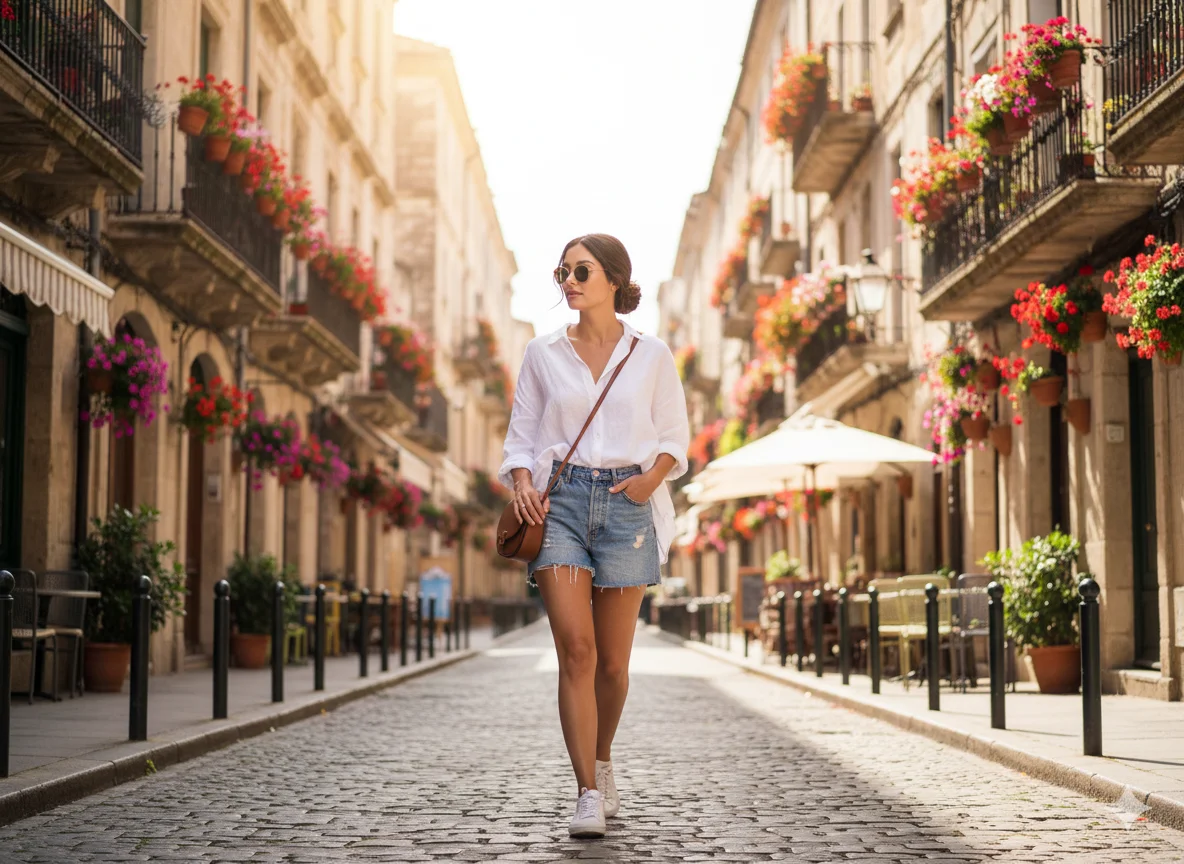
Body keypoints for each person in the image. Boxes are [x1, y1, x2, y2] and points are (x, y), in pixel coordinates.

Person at [498, 234, 690, 838]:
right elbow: (521, 436)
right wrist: (523, 482)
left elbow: (674, 437)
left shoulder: (651, 353)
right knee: (575, 651)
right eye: (563, 272)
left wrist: (647, 481)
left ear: (613, 279)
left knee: (613, 663)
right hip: (558, 507)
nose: (569, 281)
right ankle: (585, 790)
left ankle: (603, 758)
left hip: (626, 506)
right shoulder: (542, 352)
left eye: (581, 270)